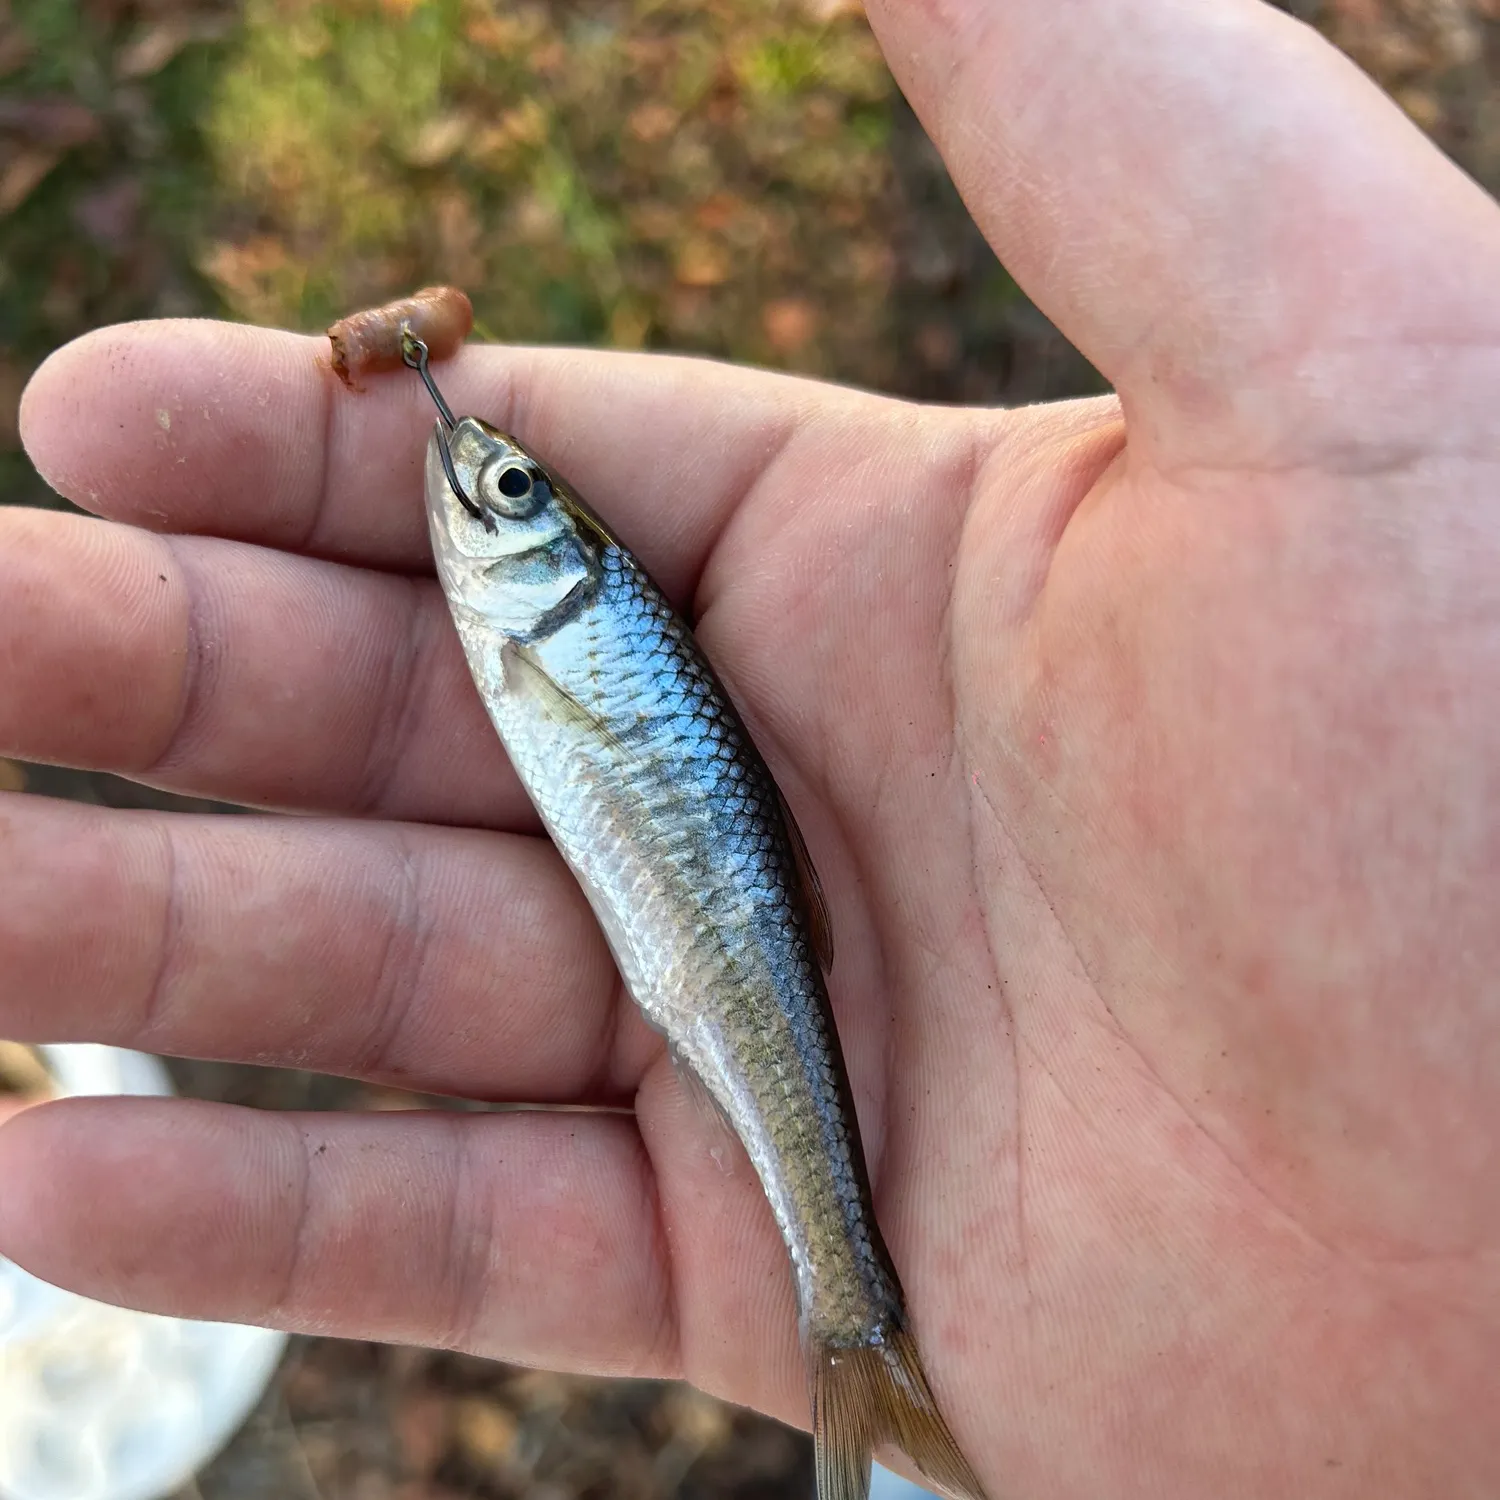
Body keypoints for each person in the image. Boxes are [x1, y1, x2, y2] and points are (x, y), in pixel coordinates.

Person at [1, 0, 1497, 1493]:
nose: (478, 476)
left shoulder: (544, 611)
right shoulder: (536, 616)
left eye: (509, 489)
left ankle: (857, 1327)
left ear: (554, 558)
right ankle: (869, 1359)